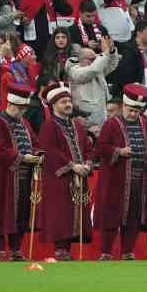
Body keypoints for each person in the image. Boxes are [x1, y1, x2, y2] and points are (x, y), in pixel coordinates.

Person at [94, 84, 147, 261]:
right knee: (112, 217)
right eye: (130, 110)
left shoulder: (145, 124)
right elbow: (100, 148)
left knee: (134, 217)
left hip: (140, 179)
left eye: (137, 111)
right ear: (124, 106)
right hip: (116, 179)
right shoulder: (111, 124)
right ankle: (106, 252)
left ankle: (128, 251)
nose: (133, 114)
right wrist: (119, 151)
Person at [36, 83, 94, 260]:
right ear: (54, 105)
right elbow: (50, 151)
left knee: (75, 215)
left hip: (79, 176)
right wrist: (71, 165)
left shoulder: (77, 126)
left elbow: (88, 148)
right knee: (60, 214)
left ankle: (67, 250)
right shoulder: (49, 126)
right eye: (63, 102)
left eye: (69, 101)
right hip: (58, 180)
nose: (68, 104)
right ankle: (60, 250)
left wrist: (88, 164)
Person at [0, 85, 39, 259]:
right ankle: (0, 250)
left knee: (21, 213)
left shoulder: (25, 123)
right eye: (21, 108)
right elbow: (0, 150)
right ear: (11, 105)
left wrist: (38, 154)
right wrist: (23, 157)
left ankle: (16, 249)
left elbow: (34, 143)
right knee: (0, 211)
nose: (23, 112)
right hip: (4, 176)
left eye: (25, 108)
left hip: (24, 176)